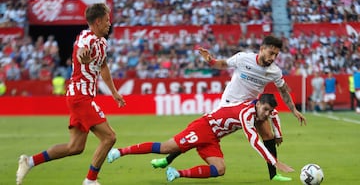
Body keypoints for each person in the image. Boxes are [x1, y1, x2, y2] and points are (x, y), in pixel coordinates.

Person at [108, 35, 306, 181]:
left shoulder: (274, 72)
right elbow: (221, 64)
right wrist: (210, 60)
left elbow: (283, 91)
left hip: (251, 105)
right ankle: (161, 158)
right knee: (199, 137)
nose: (273, 58)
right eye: (271, 53)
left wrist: (294, 110)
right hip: (230, 104)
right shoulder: (243, 58)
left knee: (266, 135)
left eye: (276, 55)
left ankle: (273, 175)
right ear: (262, 49)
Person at [16, 3, 126, 185]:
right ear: (97, 22)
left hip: (82, 97)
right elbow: (82, 50)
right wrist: (83, 56)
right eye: (107, 20)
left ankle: (29, 161)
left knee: (75, 147)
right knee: (109, 137)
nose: (110, 23)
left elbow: (103, 66)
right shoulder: (86, 36)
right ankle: (90, 181)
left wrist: (114, 93)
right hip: (79, 97)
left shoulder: (102, 43)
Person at [107, 94, 294, 182]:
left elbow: (275, 114)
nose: (267, 114)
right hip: (203, 128)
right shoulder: (246, 114)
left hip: (213, 138)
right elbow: (254, 141)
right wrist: (274, 161)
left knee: (220, 169)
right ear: (258, 104)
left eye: (268, 111)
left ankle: (177, 173)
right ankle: (119, 152)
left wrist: (278, 134)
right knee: (166, 148)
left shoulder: (261, 109)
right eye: (265, 110)